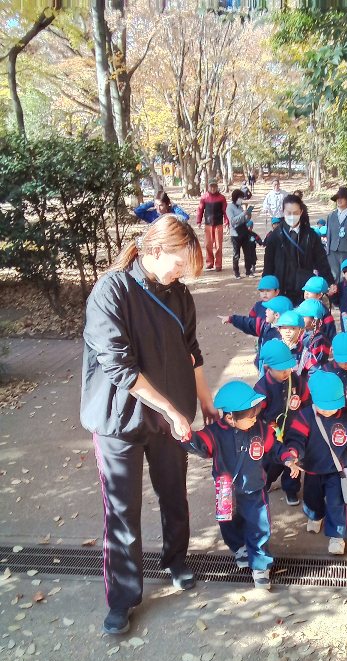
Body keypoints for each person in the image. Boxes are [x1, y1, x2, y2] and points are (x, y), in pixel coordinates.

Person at [81, 215, 215, 635]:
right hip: (118, 418)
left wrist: (205, 401)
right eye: (179, 263)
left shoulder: (180, 295)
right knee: (122, 509)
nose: (183, 272)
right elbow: (120, 367)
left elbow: (192, 351)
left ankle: (176, 560)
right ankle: (122, 597)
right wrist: (171, 410)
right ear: (155, 250)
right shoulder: (111, 291)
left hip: (169, 418)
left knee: (174, 493)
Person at [182, 381, 275, 589]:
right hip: (226, 491)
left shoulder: (259, 429)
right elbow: (201, 445)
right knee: (228, 523)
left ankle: (260, 565)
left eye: (255, 413)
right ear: (230, 418)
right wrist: (186, 436)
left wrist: (287, 456)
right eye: (250, 415)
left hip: (254, 488)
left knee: (260, 525)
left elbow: (274, 446)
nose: (255, 418)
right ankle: (240, 547)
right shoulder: (214, 433)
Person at [281, 371, 347, 555]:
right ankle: (315, 516)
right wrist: (293, 452)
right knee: (312, 499)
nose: (327, 411)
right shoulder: (305, 416)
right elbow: (296, 438)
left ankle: (337, 536)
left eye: (332, 406)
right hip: (313, 468)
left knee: (337, 502)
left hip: (338, 469)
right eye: (323, 407)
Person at [254, 340, 311, 506]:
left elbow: (307, 401)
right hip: (272, 433)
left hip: (295, 430)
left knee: (293, 458)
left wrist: (307, 423)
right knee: (270, 462)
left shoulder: (297, 381)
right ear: (268, 368)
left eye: (288, 367)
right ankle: (265, 482)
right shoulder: (261, 388)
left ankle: (291, 489)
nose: (286, 372)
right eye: (281, 369)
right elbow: (256, 415)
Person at [263, 194, 335, 306]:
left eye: (295, 213)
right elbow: (268, 265)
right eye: (289, 213)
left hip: (305, 292)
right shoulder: (275, 236)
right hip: (281, 291)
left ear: (301, 212)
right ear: (283, 212)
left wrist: (330, 282)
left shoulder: (311, 236)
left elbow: (321, 262)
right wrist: (266, 288)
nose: (292, 216)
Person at [218, 295, 292, 371]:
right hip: (263, 366)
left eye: (269, 310)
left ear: (276, 315)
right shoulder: (265, 324)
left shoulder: (285, 336)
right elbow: (248, 323)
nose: (265, 311)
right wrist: (232, 319)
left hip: (274, 371)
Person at [326, 186, 347, 283]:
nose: (339, 200)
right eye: (337, 198)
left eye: (342, 198)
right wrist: (327, 253)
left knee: (345, 280)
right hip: (332, 254)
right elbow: (328, 236)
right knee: (333, 279)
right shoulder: (331, 216)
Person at [195, 178, 228, 271]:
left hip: (218, 224)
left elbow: (225, 211)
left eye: (214, 186)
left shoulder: (221, 198)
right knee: (208, 245)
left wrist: (226, 221)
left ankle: (218, 264)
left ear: (217, 187)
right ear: (208, 187)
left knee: (218, 245)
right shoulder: (204, 197)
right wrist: (198, 221)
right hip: (208, 224)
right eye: (211, 186)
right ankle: (209, 262)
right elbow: (200, 209)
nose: (213, 188)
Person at [295, 299, 332, 375]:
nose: (300, 318)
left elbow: (317, 364)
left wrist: (304, 376)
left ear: (314, 320)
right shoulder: (303, 333)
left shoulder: (320, 339)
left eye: (303, 316)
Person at [226, 189, 255, 278]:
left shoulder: (240, 207)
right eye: (240, 198)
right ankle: (236, 272)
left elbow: (244, 220)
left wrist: (248, 215)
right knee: (236, 254)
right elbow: (232, 221)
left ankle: (248, 271)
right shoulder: (230, 207)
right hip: (235, 233)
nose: (241, 200)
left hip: (244, 231)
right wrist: (242, 214)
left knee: (247, 252)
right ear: (236, 197)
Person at [302, 276, 336, 342]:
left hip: (318, 344)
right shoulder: (303, 307)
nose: (306, 293)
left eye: (310, 291)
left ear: (320, 295)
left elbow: (331, 334)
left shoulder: (323, 312)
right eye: (305, 290)